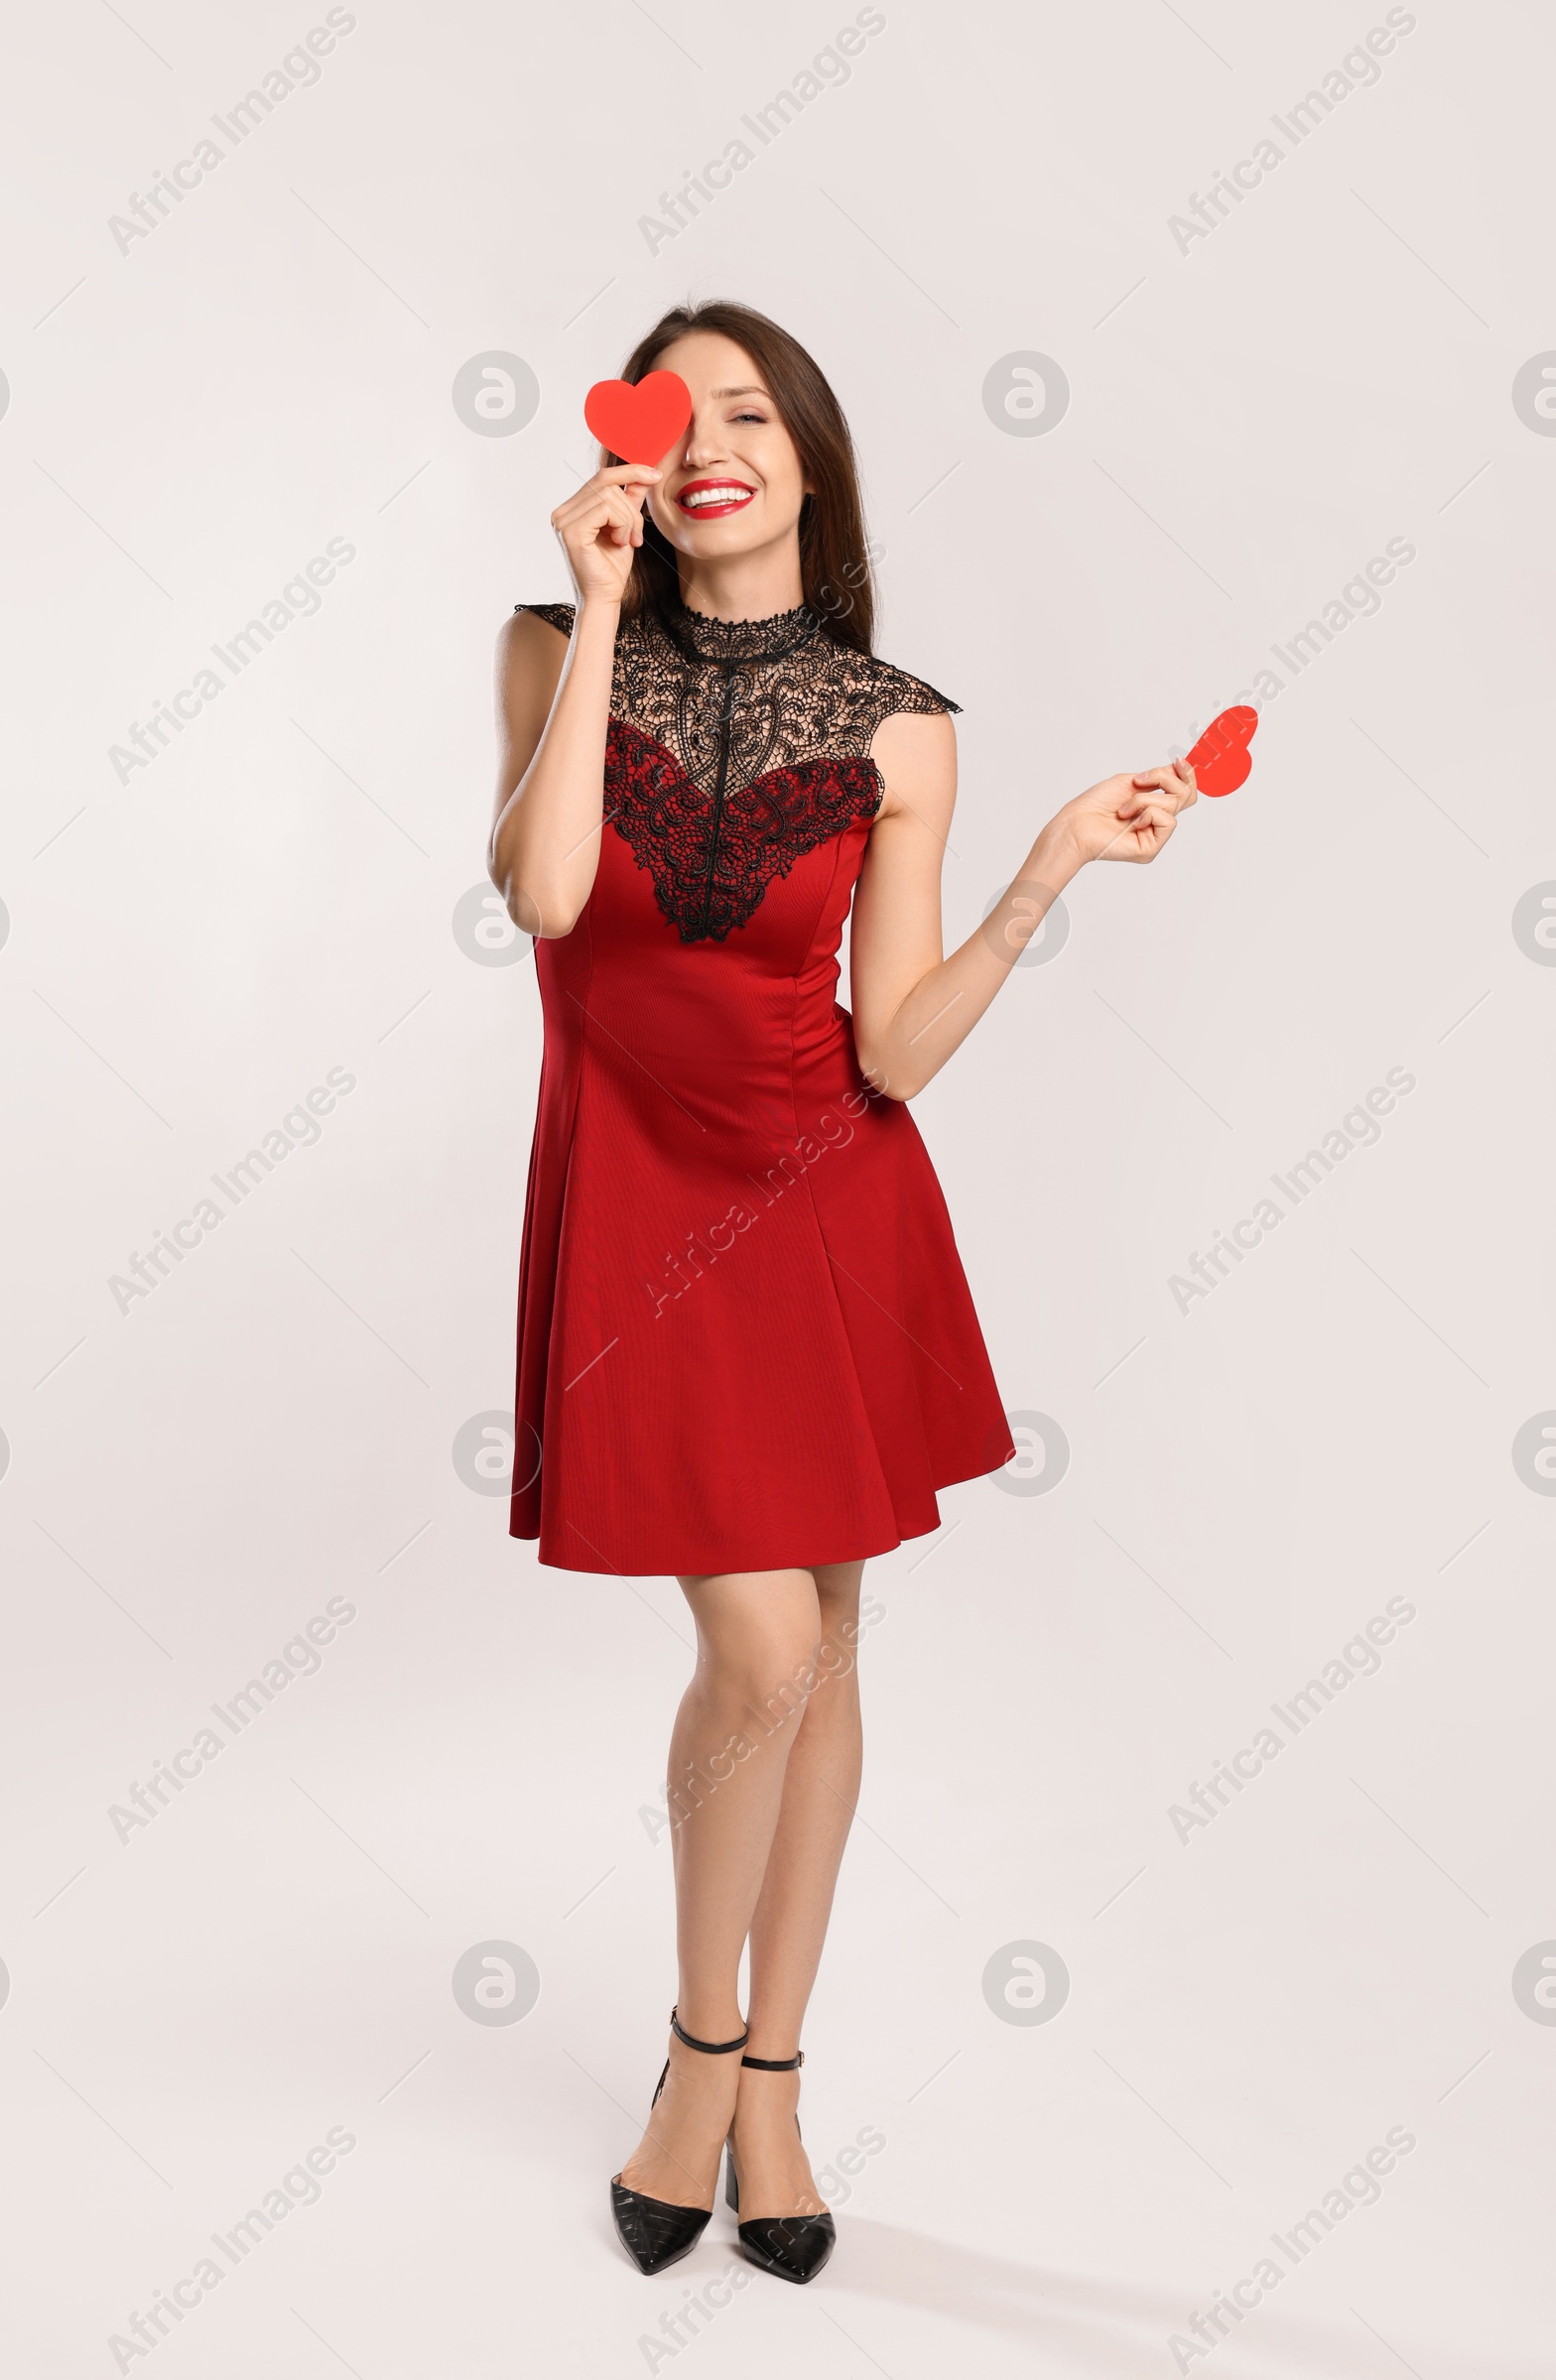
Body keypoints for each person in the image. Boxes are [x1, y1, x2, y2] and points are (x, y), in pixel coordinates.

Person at [489, 300, 1196, 2284]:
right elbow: (543, 899)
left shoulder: (901, 723)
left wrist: (1041, 871)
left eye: (747, 413)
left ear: (806, 454)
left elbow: (886, 1046)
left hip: (827, 1200)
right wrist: (600, 603)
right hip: (639, 1205)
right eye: (671, 417)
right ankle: (694, 2061)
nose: (709, 444)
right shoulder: (552, 651)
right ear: (630, 459)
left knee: (828, 1655)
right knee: (765, 1658)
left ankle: (774, 2082)